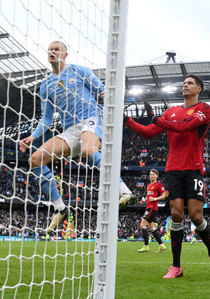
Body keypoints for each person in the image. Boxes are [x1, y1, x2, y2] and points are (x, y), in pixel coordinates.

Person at [19, 41, 135, 233]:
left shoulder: (80, 71)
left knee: (89, 149)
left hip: (93, 118)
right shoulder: (46, 86)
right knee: (35, 160)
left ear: (65, 54)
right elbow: (46, 118)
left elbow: (102, 92)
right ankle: (60, 208)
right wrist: (32, 136)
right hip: (71, 130)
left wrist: (113, 104)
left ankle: (124, 191)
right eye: (50, 49)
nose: (52, 52)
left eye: (57, 49)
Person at [125, 75, 210, 278]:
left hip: (194, 169)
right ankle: (176, 266)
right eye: (184, 83)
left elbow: (184, 127)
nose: (185, 85)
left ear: (199, 88)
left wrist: (157, 119)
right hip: (173, 169)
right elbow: (147, 132)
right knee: (177, 214)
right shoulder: (171, 112)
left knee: (196, 216)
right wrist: (126, 119)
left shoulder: (204, 109)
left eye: (190, 83)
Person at [137, 169, 167, 253]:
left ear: (157, 176)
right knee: (151, 227)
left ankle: (146, 246)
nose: (152, 176)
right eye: (150, 174)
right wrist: (145, 200)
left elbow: (164, 195)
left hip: (152, 208)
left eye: (153, 174)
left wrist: (155, 198)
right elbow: (149, 196)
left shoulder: (158, 185)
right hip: (149, 206)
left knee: (142, 224)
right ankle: (161, 245)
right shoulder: (149, 185)